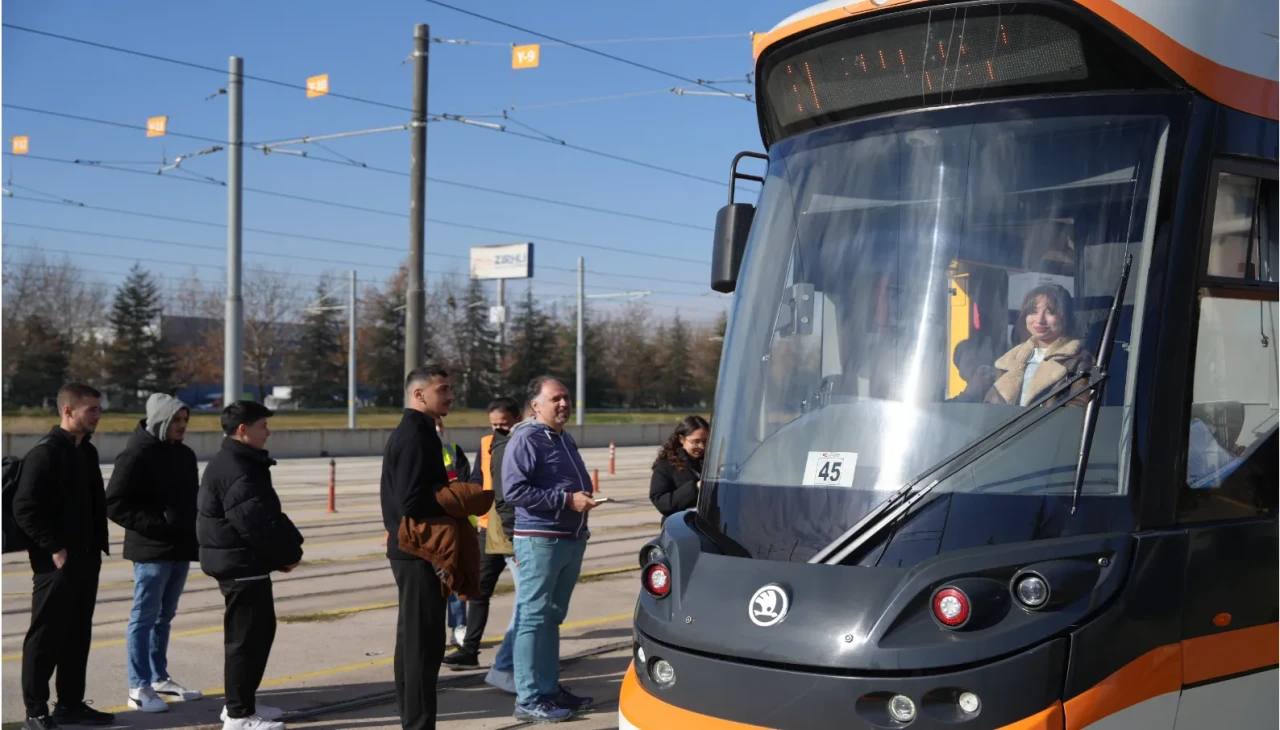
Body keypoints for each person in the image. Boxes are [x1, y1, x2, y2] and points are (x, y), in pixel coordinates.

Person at [198, 401, 304, 730]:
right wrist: (288, 554)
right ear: (243, 430)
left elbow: (265, 514)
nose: (268, 432)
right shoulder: (237, 468)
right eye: (262, 426)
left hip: (244, 561)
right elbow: (256, 523)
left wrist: (286, 550)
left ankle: (242, 703)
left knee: (258, 634)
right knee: (246, 640)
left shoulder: (241, 462)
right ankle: (239, 715)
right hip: (241, 564)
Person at [14, 383, 114, 729]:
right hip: (55, 563)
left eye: (99, 409)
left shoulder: (86, 451)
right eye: (91, 410)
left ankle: (70, 704)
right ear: (68, 411)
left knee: (76, 636)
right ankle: (36, 712)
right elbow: (24, 508)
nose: (98, 416)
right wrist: (53, 548)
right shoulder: (46, 453)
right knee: (45, 638)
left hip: (86, 558)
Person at [504, 376, 597, 723]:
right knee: (532, 617)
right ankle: (529, 697)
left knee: (551, 618)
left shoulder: (562, 437)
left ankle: (548, 688)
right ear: (535, 405)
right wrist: (567, 500)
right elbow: (514, 491)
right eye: (555, 398)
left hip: (570, 537)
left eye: (566, 397)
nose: (564, 404)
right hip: (541, 539)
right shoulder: (527, 438)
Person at [105, 393, 203, 714]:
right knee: (143, 618)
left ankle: (158, 677)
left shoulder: (184, 455)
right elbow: (114, 504)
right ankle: (138, 686)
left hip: (180, 547)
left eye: (185, 420)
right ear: (161, 421)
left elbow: (191, 500)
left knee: (165, 616)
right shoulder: (135, 455)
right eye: (176, 420)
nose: (182, 426)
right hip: (151, 550)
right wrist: (159, 524)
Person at [382, 366, 454, 730]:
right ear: (419, 394)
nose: (450, 396)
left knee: (414, 643)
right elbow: (411, 501)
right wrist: (456, 498)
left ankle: (414, 720)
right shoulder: (415, 435)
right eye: (443, 390)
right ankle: (419, 723)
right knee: (423, 647)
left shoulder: (420, 431)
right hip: (418, 551)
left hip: (413, 550)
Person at [443, 397, 522, 671]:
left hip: (518, 529)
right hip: (489, 528)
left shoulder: (525, 443)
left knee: (528, 597)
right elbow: (478, 477)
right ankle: (469, 650)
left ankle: (530, 654)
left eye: (504, 424)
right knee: (478, 591)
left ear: (518, 419)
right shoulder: (486, 443)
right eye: (494, 425)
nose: (498, 430)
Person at [985, 284, 1094, 407]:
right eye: (1033, 312)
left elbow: (1077, 410)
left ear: (1065, 318)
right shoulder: (1008, 360)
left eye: (1050, 312)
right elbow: (989, 409)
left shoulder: (1080, 360)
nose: (1040, 320)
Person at [435, 417, 472, 650]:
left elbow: (466, 486)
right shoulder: (414, 452)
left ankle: (459, 627)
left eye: (439, 425)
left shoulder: (453, 452)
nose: (436, 429)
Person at [649, 416, 709, 525]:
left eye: (705, 441)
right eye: (695, 442)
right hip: (681, 526)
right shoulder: (666, 466)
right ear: (681, 439)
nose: (701, 446)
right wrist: (695, 488)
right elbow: (661, 502)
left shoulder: (713, 462)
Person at [946, 339, 998, 404]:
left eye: (978, 360)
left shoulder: (1003, 391)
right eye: (969, 364)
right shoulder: (948, 406)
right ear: (961, 375)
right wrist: (969, 393)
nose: (976, 367)